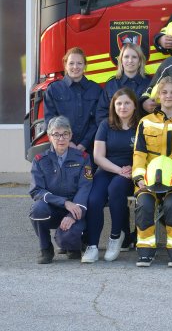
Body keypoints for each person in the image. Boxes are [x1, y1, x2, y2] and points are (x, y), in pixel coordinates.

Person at [132, 76, 172, 268]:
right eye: (164, 92)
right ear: (158, 95)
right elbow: (139, 153)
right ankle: (145, 252)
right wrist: (138, 178)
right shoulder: (145, 122)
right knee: (144, 204)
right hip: (148, 180)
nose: (168, 96)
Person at [82, 88, 139, 263]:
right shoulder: (105, 125)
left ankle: (116, 236)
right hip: (108, 170)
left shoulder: (141, 125)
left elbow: (148, 153)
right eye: (119, 103)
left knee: (115, 188)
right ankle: (92, 246)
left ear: (134, 105)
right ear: (113, 106)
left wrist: (132, 169)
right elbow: (98, 157)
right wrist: (118, 170)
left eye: (127, 103)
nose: (123, 107)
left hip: (131, 173)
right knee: (94, 199)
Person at [29, 116, 92, 264]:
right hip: (51, 208)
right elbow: (36, 191)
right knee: (37, 209)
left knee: (68, 240)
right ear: (49, 136)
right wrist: (64, 202)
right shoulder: (39, 160)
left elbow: (85, 187)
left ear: (70, 135)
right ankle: (45, 248)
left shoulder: (83, 158)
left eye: (65, 134)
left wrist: (71, 214)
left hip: (74, 209)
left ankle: (69, 242)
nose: (61, 138)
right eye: (56, 134)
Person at [43, 47, 101, 153]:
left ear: (85, 65)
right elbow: (50, 120)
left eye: (79, 63)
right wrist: (67, 142)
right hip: (61, 149)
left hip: (89, 150)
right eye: (71, 63)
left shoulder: (95, 89)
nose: (75, 67)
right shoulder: (53, 89)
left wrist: (84, 144)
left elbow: (97, 121)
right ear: (65, 65)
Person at [95, 42, 151, 125]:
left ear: (140, 61)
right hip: (116, 131)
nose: (130, 60)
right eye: (126, 57)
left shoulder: (150, 83)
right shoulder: (111, 85)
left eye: (134, 57)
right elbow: (101, 114)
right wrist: (112, 129)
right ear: (121, 60)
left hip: (143, 131)